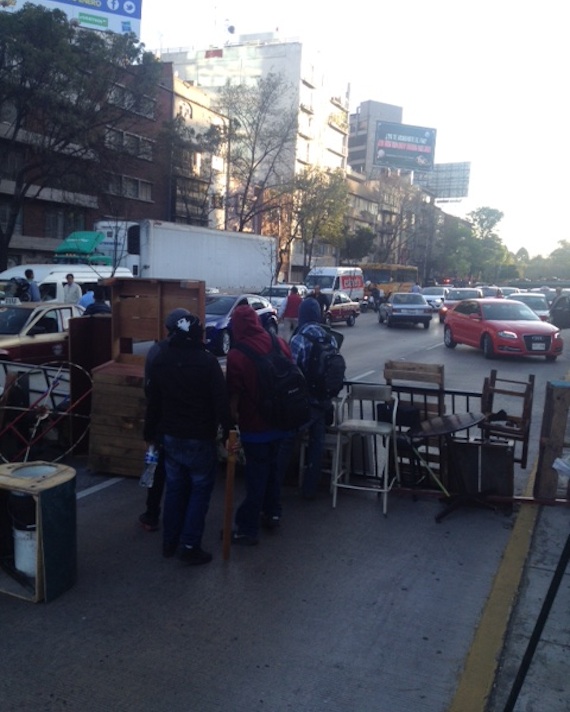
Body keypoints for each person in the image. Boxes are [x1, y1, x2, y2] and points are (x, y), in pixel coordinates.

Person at [143, 308, 232, 564]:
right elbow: (220, 401)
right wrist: (228, 431)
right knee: (199, 492)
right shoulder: (207, 361)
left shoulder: (162, 358)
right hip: (198, 437)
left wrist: (149, 432)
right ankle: (190, 545)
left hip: (170, 436)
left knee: (175, 490)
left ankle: (170, 543)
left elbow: (154, 401)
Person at [225, 304, 293, 545]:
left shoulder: (237, 355)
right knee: (274, 471)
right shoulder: (279, 343)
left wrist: (230, 422)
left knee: (256, 475)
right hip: (283, 421)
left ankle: (247, 528)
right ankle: (273, 512)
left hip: (256, 426)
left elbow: (234, 394)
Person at [289, 297, 340, 499]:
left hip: (303, 402)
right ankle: (310, 489)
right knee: (317, 445)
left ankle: (274, 490)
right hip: (323, 401)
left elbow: (291, 371)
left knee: (286, 441)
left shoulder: (299, 339)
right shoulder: (330, 338)